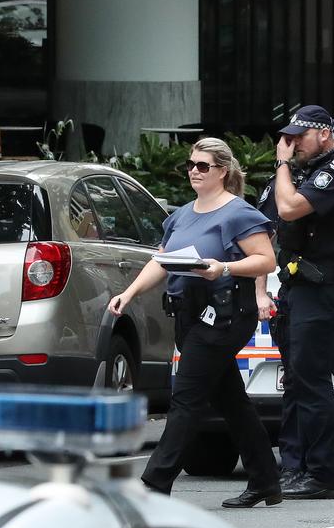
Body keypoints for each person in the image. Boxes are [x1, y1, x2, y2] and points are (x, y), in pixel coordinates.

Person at [106, 137, 280, 508]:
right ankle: (266, 480)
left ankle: (153, 485)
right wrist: (130, 293)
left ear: (223, 170)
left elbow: (266, 260)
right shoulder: (184, 214)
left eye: (203, 166)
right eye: (191, 165)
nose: (194, 172)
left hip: (227, 314)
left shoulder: (238, 212)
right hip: (188, 313)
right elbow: (162, 259)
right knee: (232, 401)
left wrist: (225, 267)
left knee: (185, 400)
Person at [256, 119, 334, 489]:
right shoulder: (292, 178)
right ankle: (301, 465)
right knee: (304, 381)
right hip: (301, 289)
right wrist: (260, 292)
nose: (291, 145)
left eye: (299, 138)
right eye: (289, 140)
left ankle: (332, 467)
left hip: (331, 288)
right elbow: (262, 235)